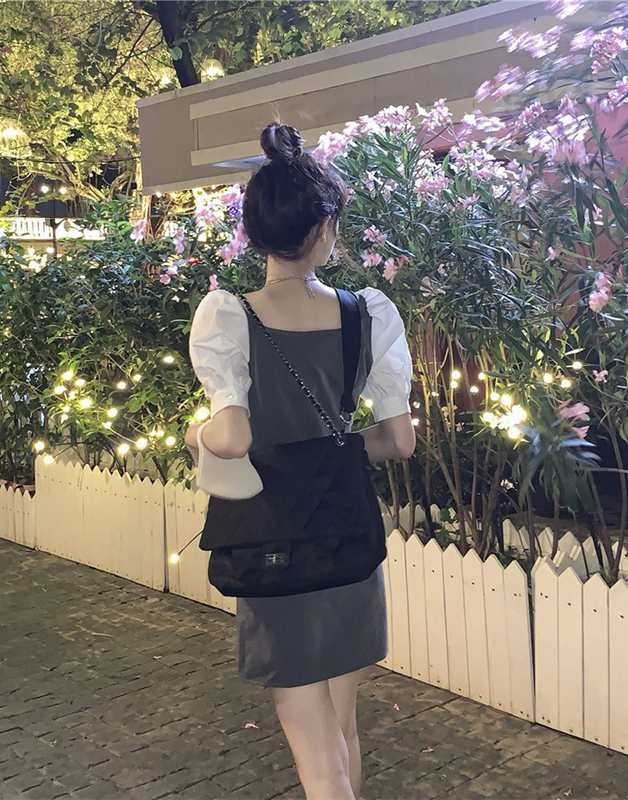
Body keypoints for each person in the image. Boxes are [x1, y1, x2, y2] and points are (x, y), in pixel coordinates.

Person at [185, 121, 415, 800]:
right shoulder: (367, 314)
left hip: (273, 546)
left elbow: (231, 437)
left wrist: (197, 435)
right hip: (346, 539)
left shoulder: (229, 316)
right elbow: (398, 441)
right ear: (323, 228)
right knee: (343, 731)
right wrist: (332, 450)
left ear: (255, 231)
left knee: (317, 755)